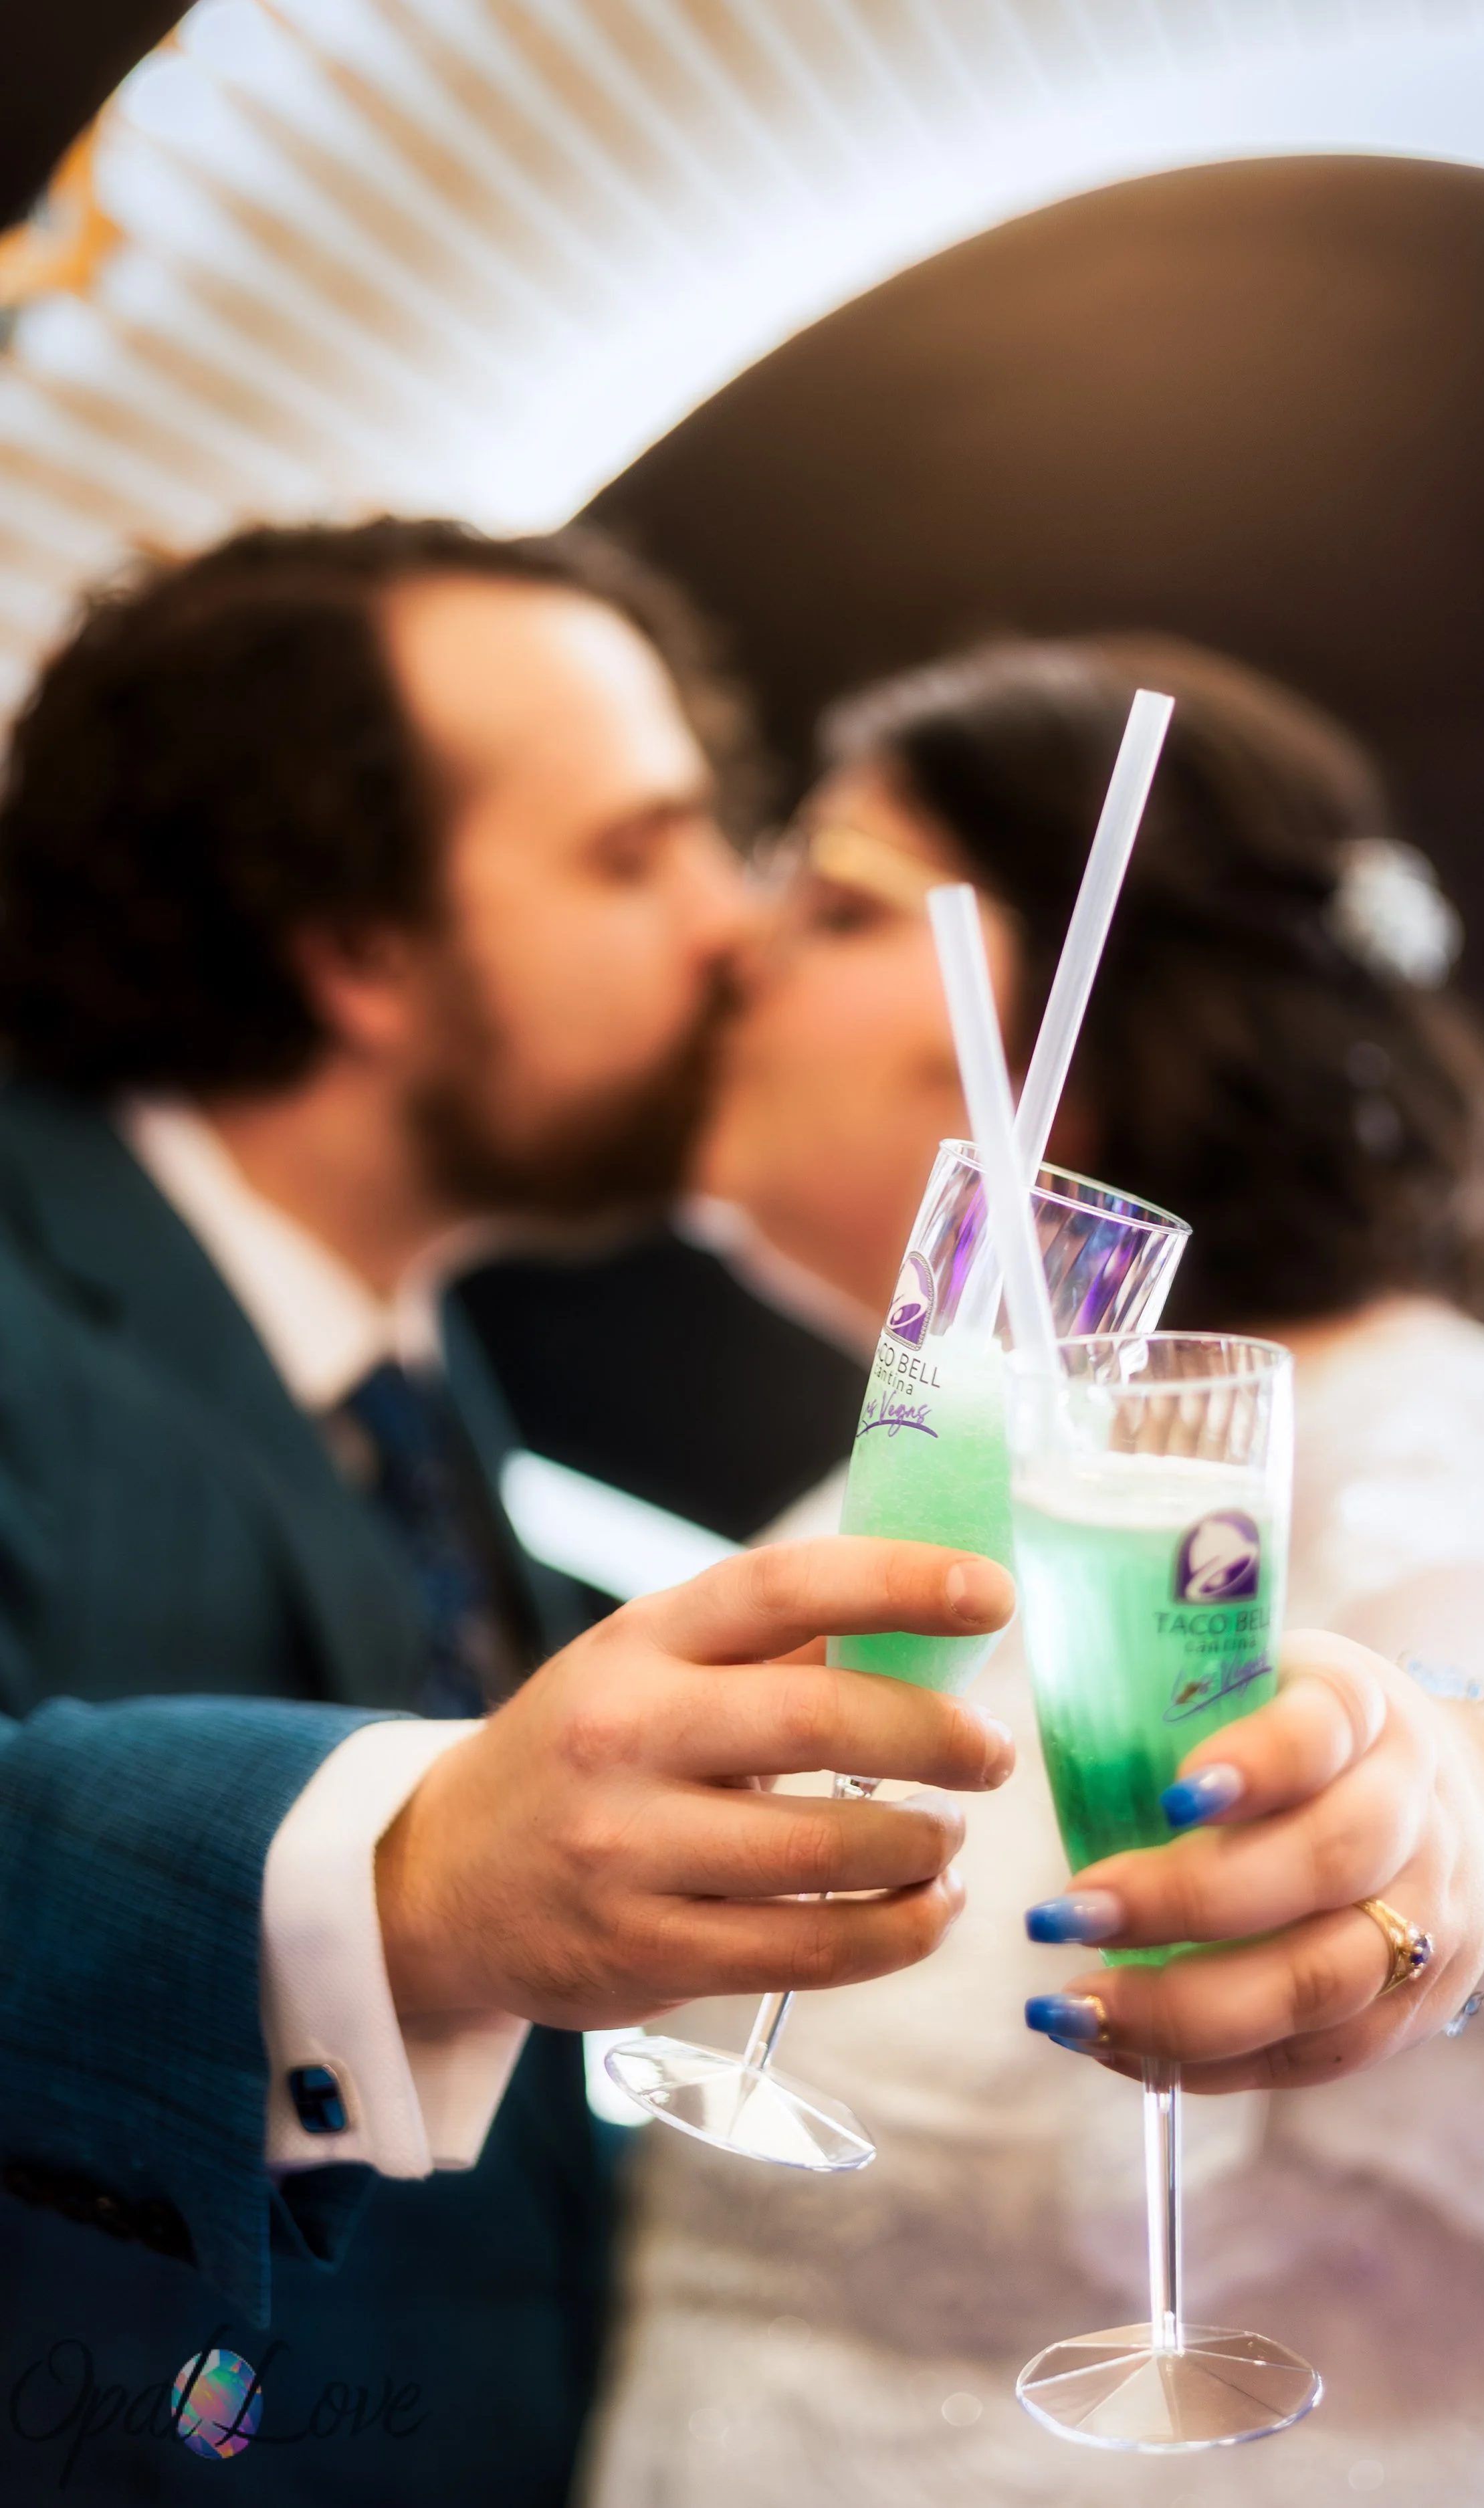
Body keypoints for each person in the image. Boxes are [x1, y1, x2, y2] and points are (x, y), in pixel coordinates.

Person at [0, 518, 1021, 2506]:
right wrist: (405, 1881)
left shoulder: (410, 1366)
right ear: (357, 952)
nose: (736, 928)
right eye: (637, 853)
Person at [587, 638, 1484, 2506]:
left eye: (836, 903)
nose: (734, 952)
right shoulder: (894, 1488)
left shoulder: (1442, 1429)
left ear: (1085, 1048)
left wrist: (1440, 1810)